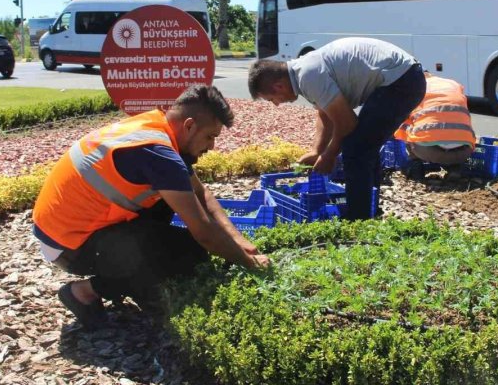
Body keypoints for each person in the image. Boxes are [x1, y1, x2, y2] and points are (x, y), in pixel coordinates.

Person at [32, 85, 270, 329]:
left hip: (69, 231)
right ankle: (85, 291)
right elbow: (205, 233)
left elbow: (201, 195)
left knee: (175, 209)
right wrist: (250, 263)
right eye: (210, 136)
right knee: (188, 254)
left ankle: (137, 279)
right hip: (69, 246)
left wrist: (238, 240)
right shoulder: (157, 154)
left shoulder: (156, 128)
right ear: (189, 126)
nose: (211, 147)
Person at [248, 37, 426, 220]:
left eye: (272, 99)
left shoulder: (308, 75)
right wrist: (316, 151)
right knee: (363, 146)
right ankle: (368, 209)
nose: (276, 104)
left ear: (279, 86)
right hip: (401, 77)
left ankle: (359, 218)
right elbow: (325, 114)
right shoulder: (302, 71)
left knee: (356, 148)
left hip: (402, 81)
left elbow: (347, 122)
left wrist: (329, 155)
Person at [394, 72, 477, 168]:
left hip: (428, 151)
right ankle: (455, 168)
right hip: (464, 152)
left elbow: (400, 119)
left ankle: (416, 166)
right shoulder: (453, 84)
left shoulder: (415, 87)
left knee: (407, 124)